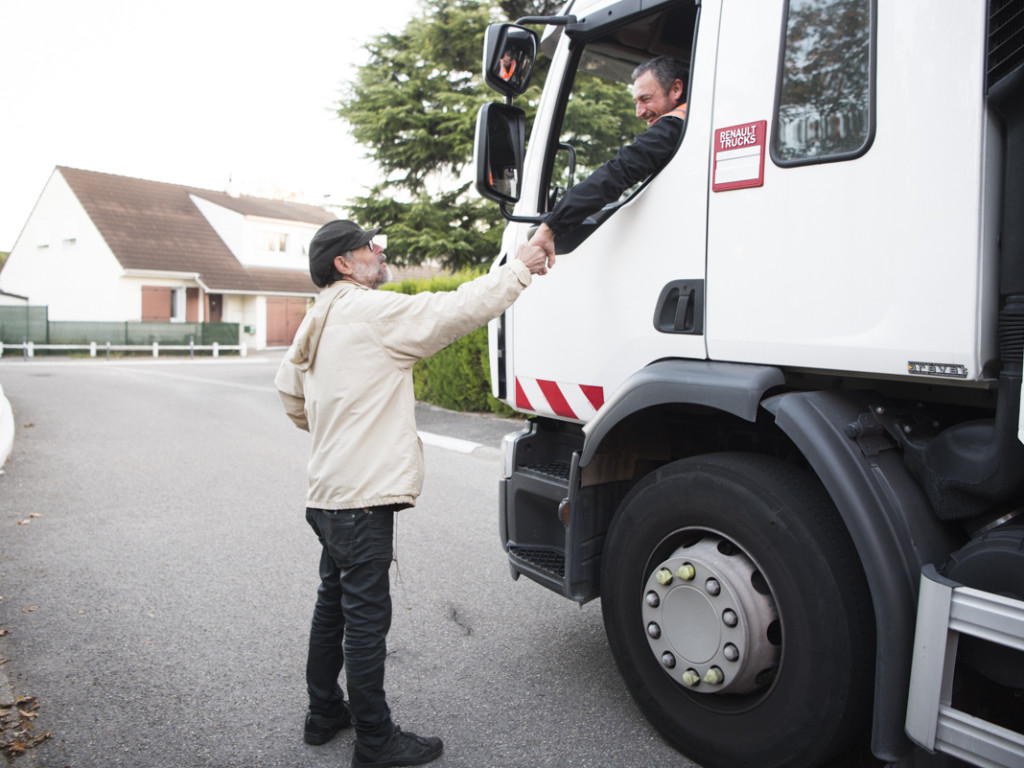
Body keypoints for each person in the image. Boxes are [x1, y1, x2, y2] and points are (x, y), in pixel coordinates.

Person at [274, 219, 548, 768]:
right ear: (343, 265)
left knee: (333, 608)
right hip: (360, 500)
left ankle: (324, 712)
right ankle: (375, 740)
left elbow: (289, 392)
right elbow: (450, 311)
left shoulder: (318, 318)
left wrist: (335, 429)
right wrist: (520, 268)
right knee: (366, 619)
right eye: (366, 249)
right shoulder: (367, 312)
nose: (378, 253)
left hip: (327, 494)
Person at [529, 55, 688, 264]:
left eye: (646, 99)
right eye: (636, 102)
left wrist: (551, 227)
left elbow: (617, 173)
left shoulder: (673, 127)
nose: (639, 113)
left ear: (676, 89)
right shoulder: (694, 123)